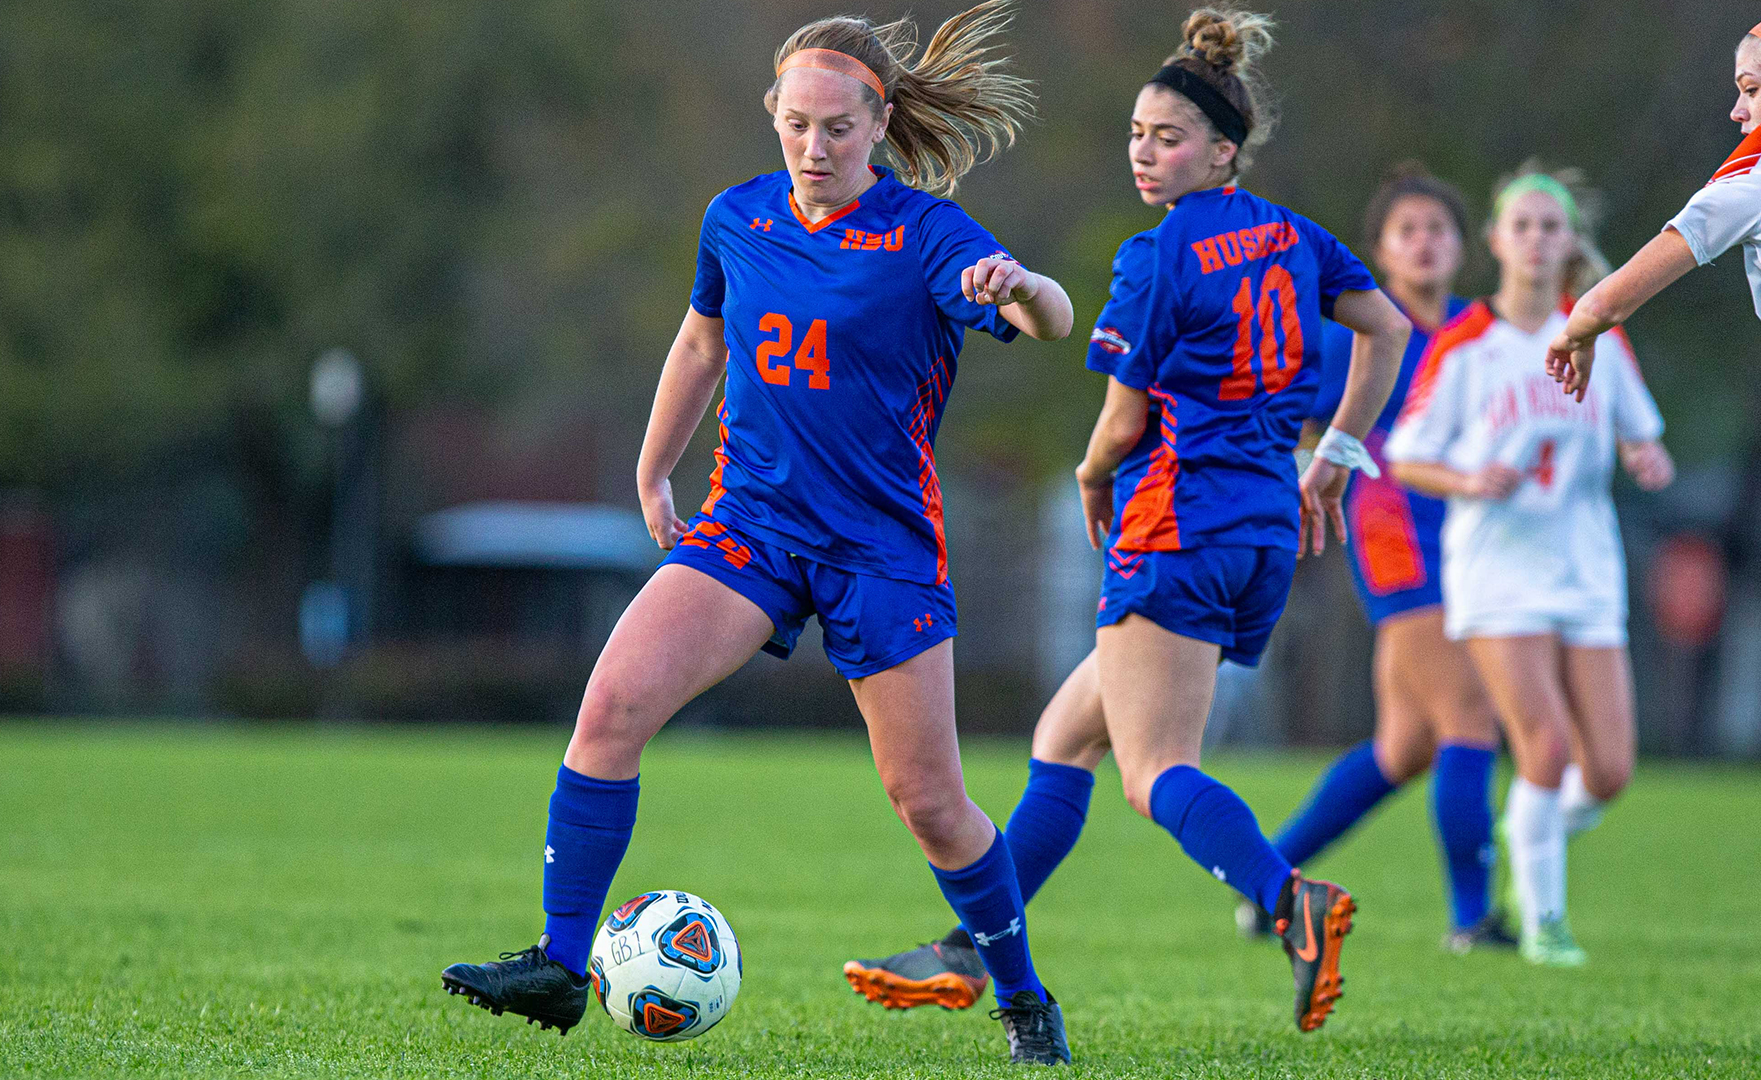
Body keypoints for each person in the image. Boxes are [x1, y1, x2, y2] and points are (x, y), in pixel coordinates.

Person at [437, 2, 1081, 1063]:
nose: (814, 147)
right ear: (772, 114)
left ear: (880, 122)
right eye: (796, 125)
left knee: (930, 804)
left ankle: (1021, 999)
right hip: (751, 528)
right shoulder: (736, 217)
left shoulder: (929, 235)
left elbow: (1050, 319)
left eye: (837, 128)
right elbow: (702, 343)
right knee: (610, 710)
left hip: (880, 551)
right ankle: (558, 962)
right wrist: (653, 468)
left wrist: (1023, 287)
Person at [841, 5, 1410, 1034]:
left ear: (1223, 151)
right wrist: (1335, 455)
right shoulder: (1294, 236)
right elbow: (1387, 325)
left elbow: (1120, 421)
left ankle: (1292, 900)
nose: (1146, 153)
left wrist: (1092, 475)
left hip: (1175, 525)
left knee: (1154, 774)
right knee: (1067, 739)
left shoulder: (1158, 255)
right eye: (1139, 135)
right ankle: (968, 951)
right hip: (1261, 531)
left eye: (1170, 138)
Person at [1386, 164, 1674, 966]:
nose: (1538, 240)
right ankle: (1546, 924)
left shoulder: (1600, 333)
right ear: (1496, 241)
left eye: (1552, 226)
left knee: (1608, 769)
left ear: (1570, 241)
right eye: (1523, 225)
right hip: (1497, 569)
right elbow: (1406, 455)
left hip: (1585, 566)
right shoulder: (1466, 344)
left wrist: (1645, 456)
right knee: (1543, 748)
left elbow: (1639, 432)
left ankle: (1529, 837)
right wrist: (1468, 479)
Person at [1237, 164, 1512, 954]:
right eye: (1407, 231)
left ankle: (1262, 882)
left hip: (1477, 538)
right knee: (1470, 717)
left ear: (1463, 244)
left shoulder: (1482, 330)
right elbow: (1284, 416)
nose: (1424, 243)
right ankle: (1472, 921)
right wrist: (1301, 476)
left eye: (1438, 229)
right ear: (1381, 251)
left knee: (1404, 748)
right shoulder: (1357, 334)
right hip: (1397, 538)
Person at [1549, 22, 1761, 394]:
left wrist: (1576, 335)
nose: (1737, 111)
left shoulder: (1750, 188)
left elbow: (1601, 307)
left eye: (1752, 90)